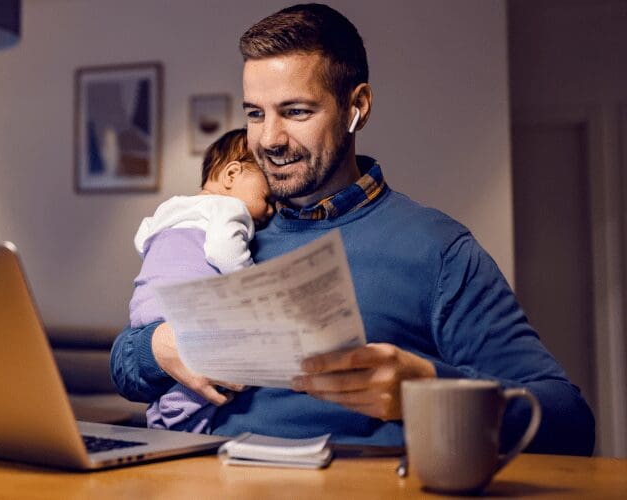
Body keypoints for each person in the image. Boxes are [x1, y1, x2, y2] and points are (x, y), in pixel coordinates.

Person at [111, 3, 595, 455]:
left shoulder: (437, 250)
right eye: (255, 114)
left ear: (356, 106)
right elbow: (127, 369)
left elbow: (569, 422)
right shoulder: (229, 227)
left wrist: (424, 389)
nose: (269, 139)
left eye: (296, 112)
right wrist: (156, 348)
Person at [130, 128, 273, 433]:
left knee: (177, 370)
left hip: (145, 305)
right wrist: (252, 282)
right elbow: (224, 253)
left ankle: (160, 413)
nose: (271, 211)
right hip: (188, 304)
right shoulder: (230, 208)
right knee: (235, 359)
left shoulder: (170, 207)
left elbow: (142, 239)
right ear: (232, 174)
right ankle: (178, 411)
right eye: (267, 197)